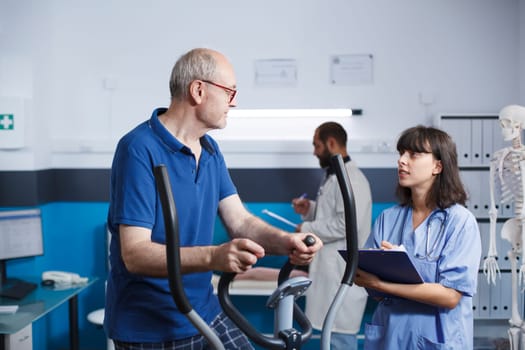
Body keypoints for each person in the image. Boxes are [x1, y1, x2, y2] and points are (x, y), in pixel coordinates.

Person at [103, 48, 322, 350]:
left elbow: (241, 221)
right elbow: (134, 254)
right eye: (230, 91)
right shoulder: (138, 149)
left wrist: (287, 242)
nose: (234, 101)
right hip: (151, 326)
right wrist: (213, 257)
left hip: (205, 312)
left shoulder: (210, 150)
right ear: (198, 90)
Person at [354, 125, 481, 349]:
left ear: (438, 166)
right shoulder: (388, 218)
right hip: (390, 335)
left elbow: (450, 296)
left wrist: (383, 283)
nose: (402, 160)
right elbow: (371, 287)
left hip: (437, 337)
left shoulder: (460, 222)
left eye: (413, 154)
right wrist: (372, 279)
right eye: (401, 153)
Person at [292, 121, 373, 350]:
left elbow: (346, 224)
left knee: (340, 338)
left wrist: (306, 229)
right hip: (330, 273)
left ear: (331, 143)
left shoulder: (352, 179)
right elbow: (335, 211)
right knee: (331, 337)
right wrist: (309, 208)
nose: (314, 151)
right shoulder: (334, 176)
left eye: (317, 145)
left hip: (341, 273)